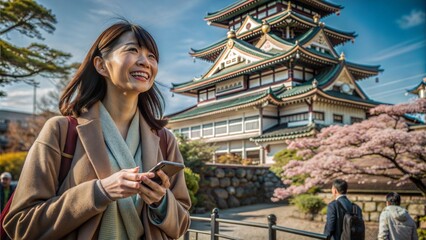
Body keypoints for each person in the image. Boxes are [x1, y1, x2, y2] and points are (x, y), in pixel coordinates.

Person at [4, 20, 191, 239]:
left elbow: (181, 225)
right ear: (101, 65)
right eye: (132, 50)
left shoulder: (164, 140)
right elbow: (21, 224)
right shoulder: (61, 130)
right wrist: (100, 192)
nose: (145, 62)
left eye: (152, 56)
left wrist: (161, 201)